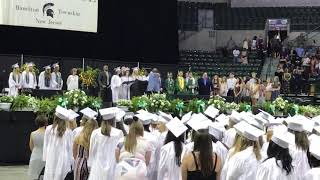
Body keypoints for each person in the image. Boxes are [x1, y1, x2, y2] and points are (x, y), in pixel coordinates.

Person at [88, 108, 124, 180]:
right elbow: (121, 151)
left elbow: (92, 150)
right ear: (113, 120)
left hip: (98, 165)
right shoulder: (118, 133)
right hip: (113, 165)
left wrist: (90, 165)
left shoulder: (95, 133)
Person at [43, 106, 74, 180]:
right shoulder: (68, 131)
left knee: (51, 175)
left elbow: (46, 144)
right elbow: (70, 148)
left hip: (51, 156)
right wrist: (71, 161)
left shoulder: (49, 129)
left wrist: (45, 157)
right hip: (64, 158)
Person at [28, 115, 48, 180]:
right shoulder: (48, 134)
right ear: (46, 123)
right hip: (46, 156)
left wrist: (35, 152)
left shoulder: (33, 133)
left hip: (35, 155)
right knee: (44, 175)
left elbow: (31, 146)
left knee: (35, 175)